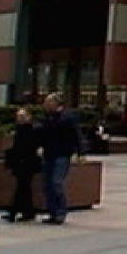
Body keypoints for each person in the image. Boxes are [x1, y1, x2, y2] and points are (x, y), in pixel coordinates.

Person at [39, 93, 84, 225]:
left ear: (56, 104)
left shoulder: (67, 117)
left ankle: (60, 212)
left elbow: (76, 135)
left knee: (56, 182)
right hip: (48, 154)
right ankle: (52, 212)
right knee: (47, 185)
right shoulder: (47, 118)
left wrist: (80, 153)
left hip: (62, 155)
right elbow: (43, 134)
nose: (45, 105)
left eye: (48, 102)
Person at [2, 108, 40, 223]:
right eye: (18, 117)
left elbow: (32, 147)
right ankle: (28, 211)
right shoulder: (19, 130)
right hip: (20, 162)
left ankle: (13, 212)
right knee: (24, 187)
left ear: (29, 117)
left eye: (23, 117)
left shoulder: (33, 130)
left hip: (28, 162)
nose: (20, 119)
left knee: (22, 187)